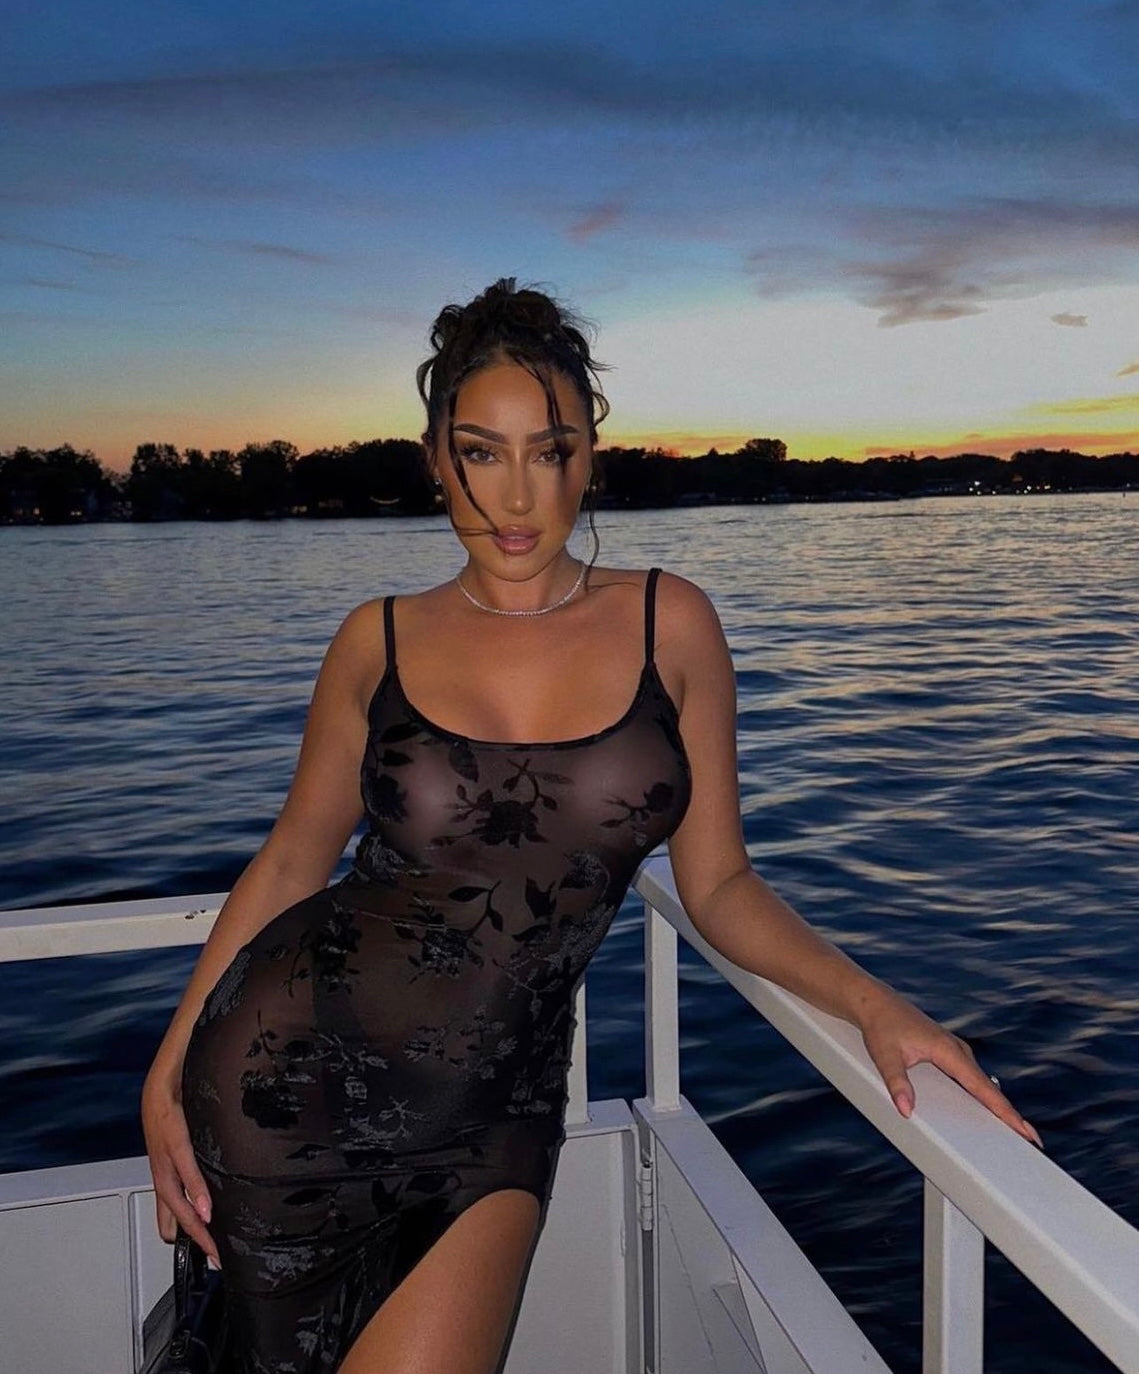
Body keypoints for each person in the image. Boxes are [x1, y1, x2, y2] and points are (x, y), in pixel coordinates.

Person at [142, 277, 1040, 1374]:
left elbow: (718, 885)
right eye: (481, 453)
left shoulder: (671, 624)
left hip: (496, 1110)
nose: (515, 496)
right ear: (436, 461)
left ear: (588, 461)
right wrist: (167, 1066)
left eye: (549, 451)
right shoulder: (376, 640)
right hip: (284, 1083)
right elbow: (291, 861)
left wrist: (874, 1005)